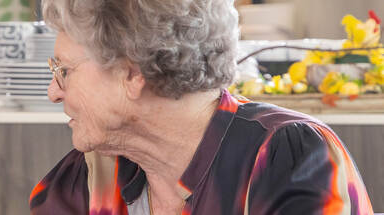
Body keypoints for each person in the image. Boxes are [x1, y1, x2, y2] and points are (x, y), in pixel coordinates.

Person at [29, 0, 374, 214]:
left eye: (64, 71)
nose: (53, 92)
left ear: (132, 73)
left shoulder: (286, 157)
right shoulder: (88, 178)